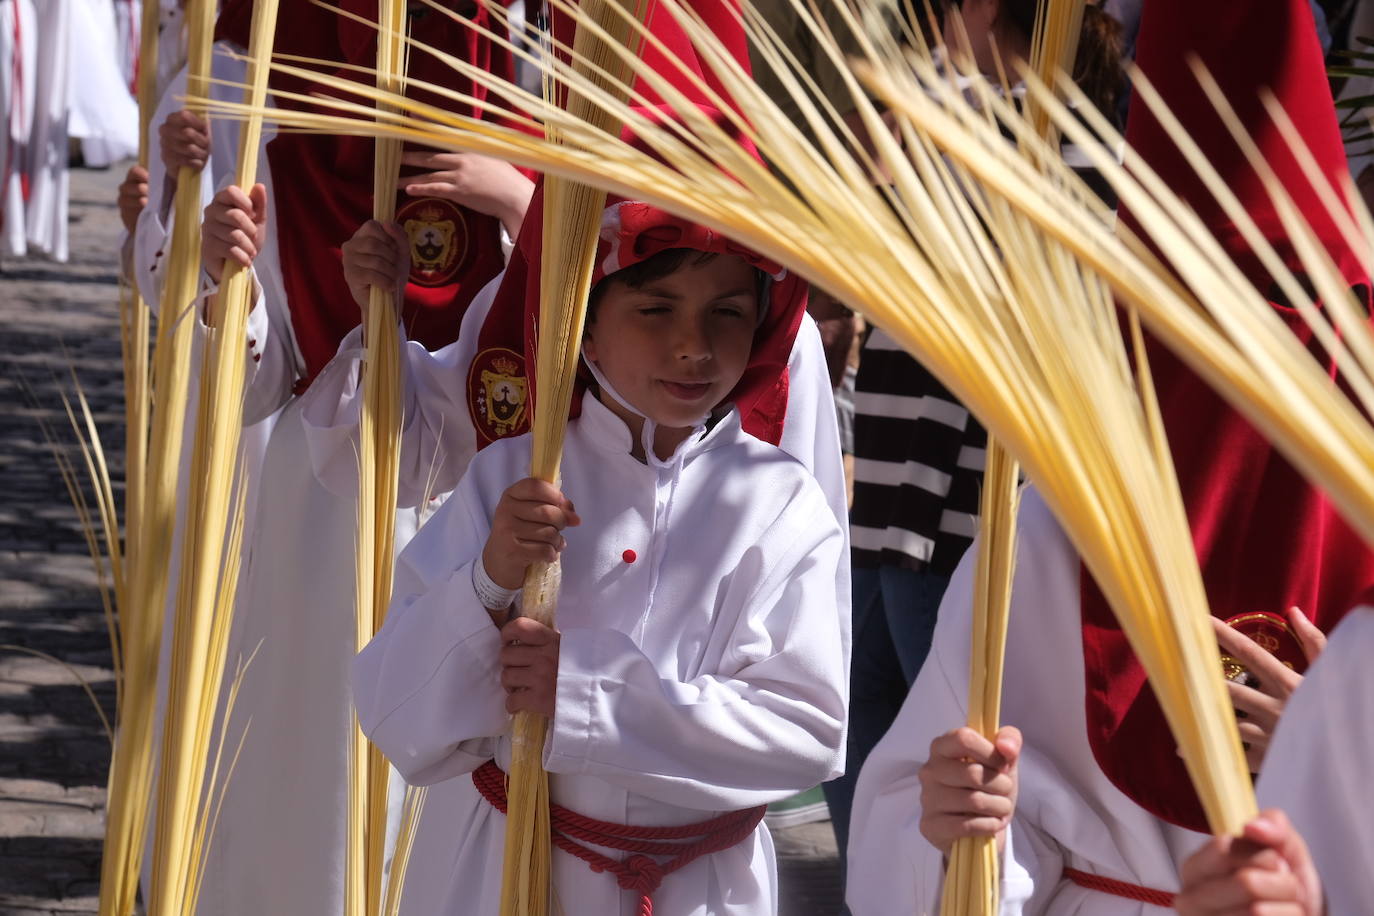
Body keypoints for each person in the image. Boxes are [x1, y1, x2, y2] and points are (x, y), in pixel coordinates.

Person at [846, 0, 1374, 912]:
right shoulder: (1050, 534)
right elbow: (924, 827)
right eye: (1195, 343)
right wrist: (954, 824)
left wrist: (1333, 752)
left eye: (1284, 336)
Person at [353, 192, 850, 915]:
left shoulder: (778, 504)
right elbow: (392, 711)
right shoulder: (513, 478)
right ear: (582, 331)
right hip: (498, 870)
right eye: (656, 310)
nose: (694, 345)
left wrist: (585, 694)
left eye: (729, 313)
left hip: (700, 887)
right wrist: (487, 583)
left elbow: (807, 735)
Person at [172, 2, 529, 912]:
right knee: (319, 795)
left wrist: (514, 199)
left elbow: (600, 315)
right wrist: (226, 286)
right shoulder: (287, 155)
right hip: (326, 527)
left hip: (496, 530)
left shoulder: (529, 134)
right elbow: (254, 388)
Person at [827, 0, 1123, 866]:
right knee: (866, 721)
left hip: (960, 501)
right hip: (895, 485)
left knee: (949, 738)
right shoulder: (963, 116)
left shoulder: (1048, 138)